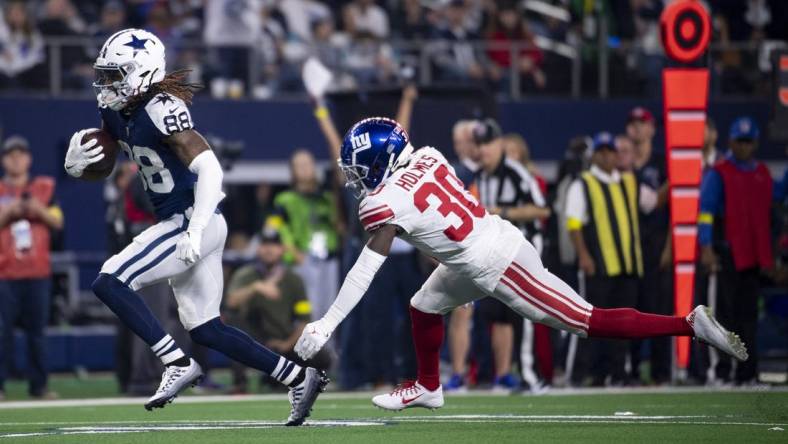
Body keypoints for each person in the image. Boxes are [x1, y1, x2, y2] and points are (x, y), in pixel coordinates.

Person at [294, 117, 747, 411]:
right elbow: (435, 218)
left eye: (358, 168)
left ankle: (689, 326)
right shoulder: (430, 155)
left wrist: (328, 322)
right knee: (424, 305)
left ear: (378, 163)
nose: (354, 178)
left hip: (498, 263)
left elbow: (366, 267)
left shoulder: (382, 204)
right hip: (482, 245)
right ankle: (429, 388)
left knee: (589, 320)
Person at [63, 28, 325, 424]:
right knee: (206, 328)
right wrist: (79, 165)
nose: (106, 85)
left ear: (142, 72)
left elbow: (210, 168)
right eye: (105, 75)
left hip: (190, 220)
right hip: (189, 224)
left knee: (109, 280)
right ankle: (296, 377)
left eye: (115, 75)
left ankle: (175, 362)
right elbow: (108, 161)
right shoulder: (116, 111)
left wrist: (195, 229)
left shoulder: (160, 106)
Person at [473, 119, 550, 392]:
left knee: (526, 309)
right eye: (479, 144)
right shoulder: (480, 177)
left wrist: (504, 213)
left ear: (499, 144)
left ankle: (531, 376)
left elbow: (542, 210)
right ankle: (505, 374)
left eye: (488, 144)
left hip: (526, 247)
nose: (483, 150)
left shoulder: (516, 173)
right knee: (500, 315)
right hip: (497, 252)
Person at [698, 117, 773, 385]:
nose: (743, 147)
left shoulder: (762, 173)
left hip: (752, 257)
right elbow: (705, 212)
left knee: (749, 318)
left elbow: (770, 215)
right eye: (739, 141)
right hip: (727, 255)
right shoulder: (719, 172)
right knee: (723, 316)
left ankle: (747, 373)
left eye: (748, 141)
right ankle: (721, 372)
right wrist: (706, 248)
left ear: (754, 143)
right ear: (730, 141)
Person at [565, 132, 643, 386]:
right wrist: (584, 255)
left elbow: (651, 205)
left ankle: (619, 373)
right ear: (595, 155)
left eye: (612, 151)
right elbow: (574, 224)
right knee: (590, 321)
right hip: (598, 265)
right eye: (603, 151)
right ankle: (587, 373)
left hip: (628, 265)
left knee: (625, 323)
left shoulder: (628, 182)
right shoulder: (584, 183)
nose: (609, 156)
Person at [226, 228, 332, 393]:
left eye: (274, 245)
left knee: (323, 356)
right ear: (258, 248)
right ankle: (240, 383)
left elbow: (304, 319)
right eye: (265, 244)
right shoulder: (246, 274)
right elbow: (231, 302)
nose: (269, 249)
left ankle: (282, 378)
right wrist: (255, 287)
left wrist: (286, 343)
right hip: (256, 339)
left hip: (284, 339)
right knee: (234, 328)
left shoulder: (293, 279)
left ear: (282, 249)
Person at [0, 135, 63, 400]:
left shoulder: (44, 188)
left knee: (37, 334)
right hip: (5, 272)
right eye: (11, 155)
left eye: (20, 154)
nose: (16, 159)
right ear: (4, 160)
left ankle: (39, 386)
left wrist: (37, 209)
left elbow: (57, 222)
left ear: (29, 159)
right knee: (2, 333)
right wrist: (10, 212)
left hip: (37, 271)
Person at [268, 150, 340, 321]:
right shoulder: (285, 199)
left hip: (329, 258)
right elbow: (275, 227)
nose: (305, 169)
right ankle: (308, 345)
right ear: (292, 171)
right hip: (303, 258)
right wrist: (292, 251)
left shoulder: (327, 198)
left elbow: (338, 225)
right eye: (300, 165)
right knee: (310, 306)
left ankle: (329, 347)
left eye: (308, 164)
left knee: (332, 307)